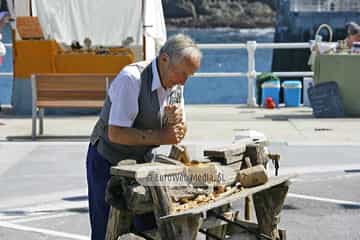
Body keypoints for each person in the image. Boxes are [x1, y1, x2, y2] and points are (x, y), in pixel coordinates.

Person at [86, 34, 202, 240]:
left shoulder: (176, 85)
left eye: (189, 76)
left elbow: (179, 132)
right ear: (164, 59)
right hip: (107, 159)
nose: (184, 81)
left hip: (141, 164)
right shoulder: (131, 79)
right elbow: (116, 133)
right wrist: (161, 135)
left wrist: (177, 126)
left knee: (148, 228)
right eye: (182, 73)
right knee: (106, 231)